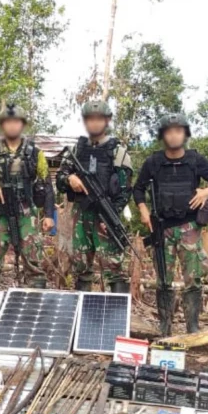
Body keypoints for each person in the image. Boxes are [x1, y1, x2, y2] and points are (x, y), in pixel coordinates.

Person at [133, 113, 208, 336]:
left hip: (189, 227)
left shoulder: (195, 160)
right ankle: (165, 328)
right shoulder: (153, 162)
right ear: (163, 135)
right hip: (161, 228)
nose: (174, 136)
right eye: (169, 131)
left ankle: (192, 328)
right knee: (163, 280)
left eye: (178, 131)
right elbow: (138, 189)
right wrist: (144, 210)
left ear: (185, 134)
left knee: (192, 279)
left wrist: (206, 191)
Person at [0, 104, 55, 290]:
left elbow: (46, 184)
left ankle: (36, 303)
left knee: (33, 258)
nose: (12, 126)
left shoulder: (35, 152)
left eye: (16, 122)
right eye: (8, 122)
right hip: (0, 211)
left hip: (26, 211)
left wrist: (49, 215)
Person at [56, 100, 133, 293]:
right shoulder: (76, 150)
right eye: (90, 119)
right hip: (81, 214)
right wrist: (70, 178)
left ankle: (116, 317)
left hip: (106, 216)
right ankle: (85, 314)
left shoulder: (118, 152)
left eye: (99, 119)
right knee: (80, 265)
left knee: (114, 267)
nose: (95, 123)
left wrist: (111, 216)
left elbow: (125, 191)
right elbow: (59, 178)